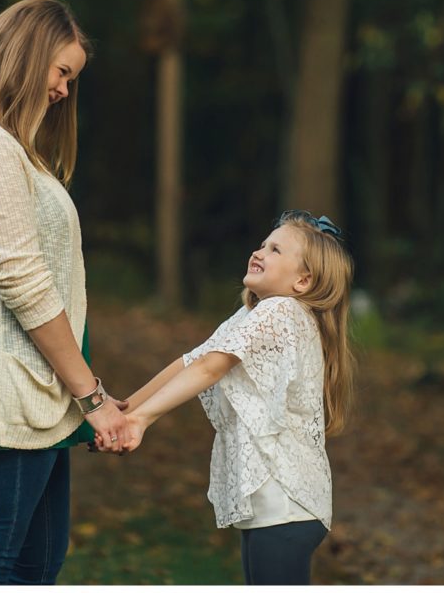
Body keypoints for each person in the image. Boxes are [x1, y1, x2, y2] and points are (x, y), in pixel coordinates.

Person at [0, 0, 122, 585]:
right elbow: (23, 280)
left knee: (37, 563)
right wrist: (92, 397)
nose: (63, 90)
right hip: (10, 383)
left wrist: (80, 394)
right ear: (27, 53)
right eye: (61, 72)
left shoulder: (5, 141)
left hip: (39, 389)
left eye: (72, 79)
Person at [96, 211, 354, 588]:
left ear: (303, 280)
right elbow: (192, 361)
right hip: (278, 508)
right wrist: (126, 410)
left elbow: (209, 369)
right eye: (263, 244)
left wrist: (141, 420)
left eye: (276, 249)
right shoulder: (256, 313)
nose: (259, 252)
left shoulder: (280, 311)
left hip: (285, 505)